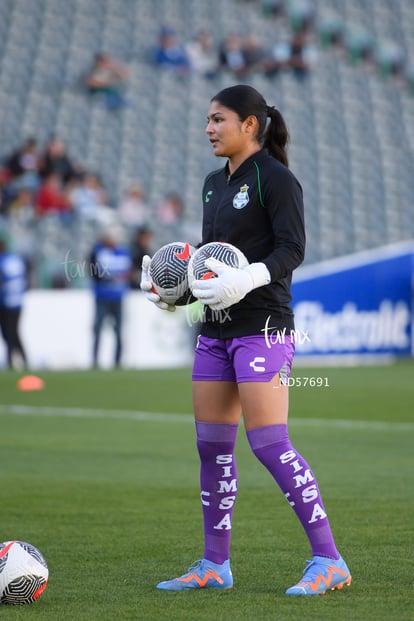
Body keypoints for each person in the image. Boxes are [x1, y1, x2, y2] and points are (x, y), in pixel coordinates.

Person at [140, 84, 352, 596]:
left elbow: (292, 249)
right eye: (208, 120)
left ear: (250, 124)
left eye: (218, 119)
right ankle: (216, 565)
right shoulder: (213, 183)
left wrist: (252, 277)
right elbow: (211, 261)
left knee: (269, 444)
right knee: (211, 447)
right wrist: (180, 290)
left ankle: (329, 559)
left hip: (264, 328)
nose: (209, 128)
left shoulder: (277, 179)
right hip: (215, 331)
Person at [89, 227, 132, 368]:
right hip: (102, 296)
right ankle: (95, 361)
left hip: (117, 297)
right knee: (97, 329)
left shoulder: (123, 252)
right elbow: (93, 270)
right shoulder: (98, 251)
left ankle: (117, 361)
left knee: (118, 331)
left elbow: (127, 273)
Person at [0, 237, 28, 369]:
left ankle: (12, 360)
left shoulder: (3, 261)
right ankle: (23, 358)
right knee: (13, 332)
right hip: (17, 301)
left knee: (9, 333)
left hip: (6, 301)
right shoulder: (16, 260)